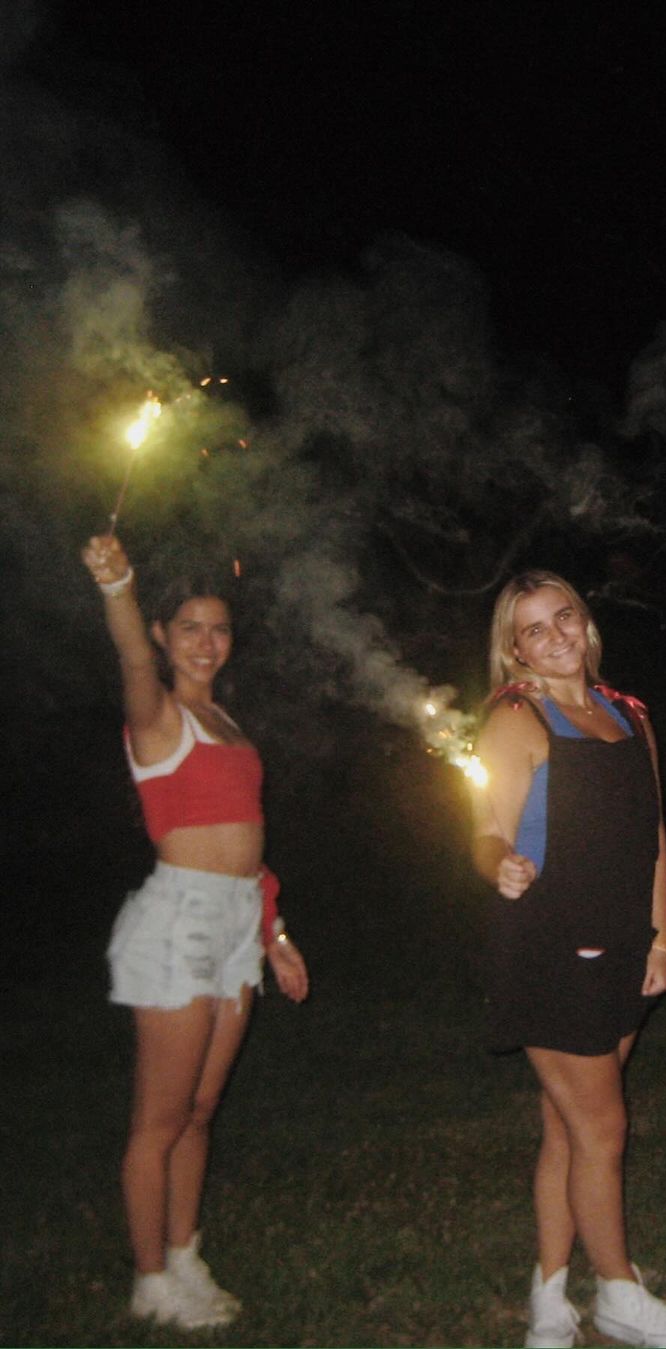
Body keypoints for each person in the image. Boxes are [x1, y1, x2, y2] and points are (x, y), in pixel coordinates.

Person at [472, 570, 666, 1349]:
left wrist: (662, 938)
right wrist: (499, 863)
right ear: (515, 648)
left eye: (563, 616)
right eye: (534, 628)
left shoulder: (629, 714)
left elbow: (656, 833)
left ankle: (548, 1295)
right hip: (549, 947)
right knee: (602, 1128)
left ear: (585, 621)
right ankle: (619, 1292)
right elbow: (484, 828)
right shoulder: (515, 718)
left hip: (624, 945)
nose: (556, 636)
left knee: (568, 1128)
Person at [82, 533, 309, 1330]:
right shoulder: (158, 716)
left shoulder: (228, 723)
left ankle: (185, 1257)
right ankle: (150, 1281)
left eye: (218, 629)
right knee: (161, 1117)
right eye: (189, 628)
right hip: (180, 920)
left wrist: (274, 932)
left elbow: (249, 842)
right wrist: (119, 588)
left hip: (239, 919)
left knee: (203, 1107)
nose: (206, 643)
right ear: (162, 635)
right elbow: (130, 660)